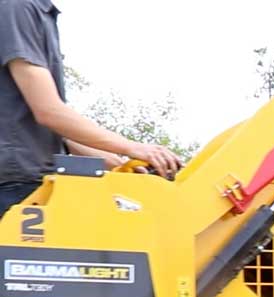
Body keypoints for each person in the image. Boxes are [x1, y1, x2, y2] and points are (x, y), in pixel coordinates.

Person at [0, 0, 181, 218]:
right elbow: (47, 111)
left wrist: (113, 162)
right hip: (16, 186)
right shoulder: (18, 6)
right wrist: (131, 147)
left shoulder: (35, 10)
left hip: (25, 181)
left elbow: (47, 130)